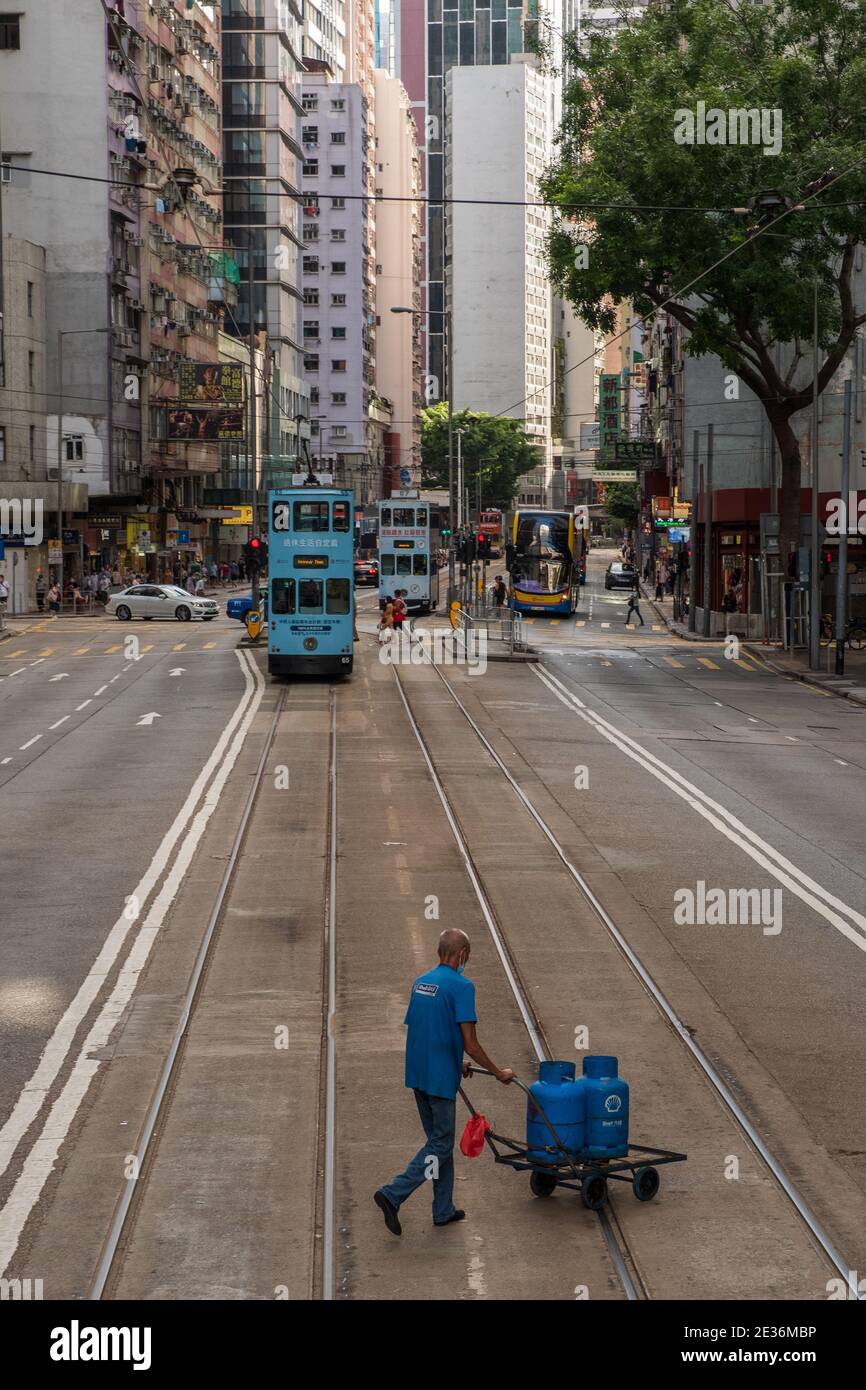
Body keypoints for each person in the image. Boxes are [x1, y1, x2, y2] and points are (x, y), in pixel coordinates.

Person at [374, 928, 513, 1236]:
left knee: (439, 1142)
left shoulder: (421, 983)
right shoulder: (462, 987)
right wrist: (498, 1072)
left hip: (418, 1075)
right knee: (439, 1143)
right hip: (438, 1081)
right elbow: (471, 1043)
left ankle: (443, 1209)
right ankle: (393, 1194)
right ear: (462, 954)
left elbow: (425, 1031)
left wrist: (455, 1062)